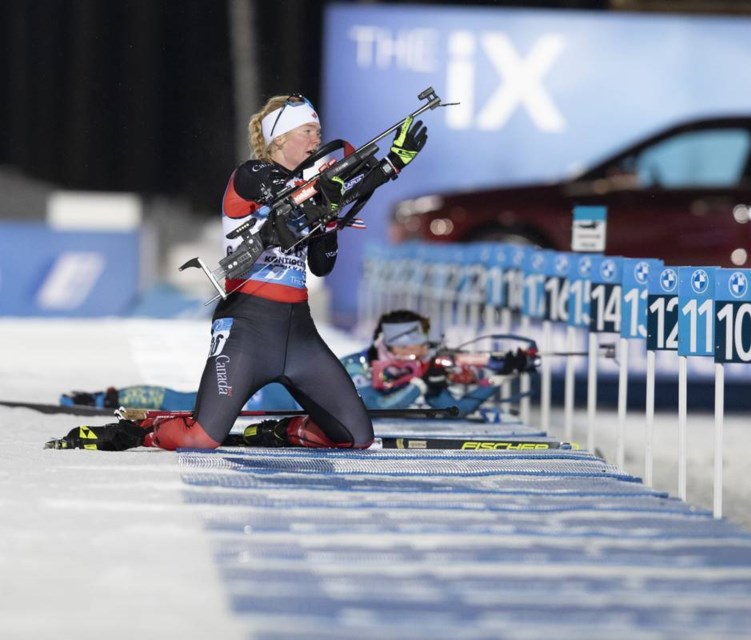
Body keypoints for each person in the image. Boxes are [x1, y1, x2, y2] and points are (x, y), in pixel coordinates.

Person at [55, 93, 428, 452]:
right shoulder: (251, 174)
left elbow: (321, 264)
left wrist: (385, 170)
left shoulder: (315, 193)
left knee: (355, 436)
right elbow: (289, 201)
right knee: (201, 438)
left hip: (299, 332)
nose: (317, 139)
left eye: (317, 131)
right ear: (279, 137)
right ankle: (145, 429)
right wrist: (350, 184)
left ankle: (284, 432)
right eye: (307, 131)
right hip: (248, 327)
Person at [58, 310, 537, 418]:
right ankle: (107, 399)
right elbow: (367, 398)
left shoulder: (413, 367)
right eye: (406, 344)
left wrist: (495, 375)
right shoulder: (360, 362)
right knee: (189, 401)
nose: (416, 353)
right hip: (273, 398)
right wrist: (419, 385)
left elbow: (451, 410)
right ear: (385, 343)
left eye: (419, 345)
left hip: (289, 411)